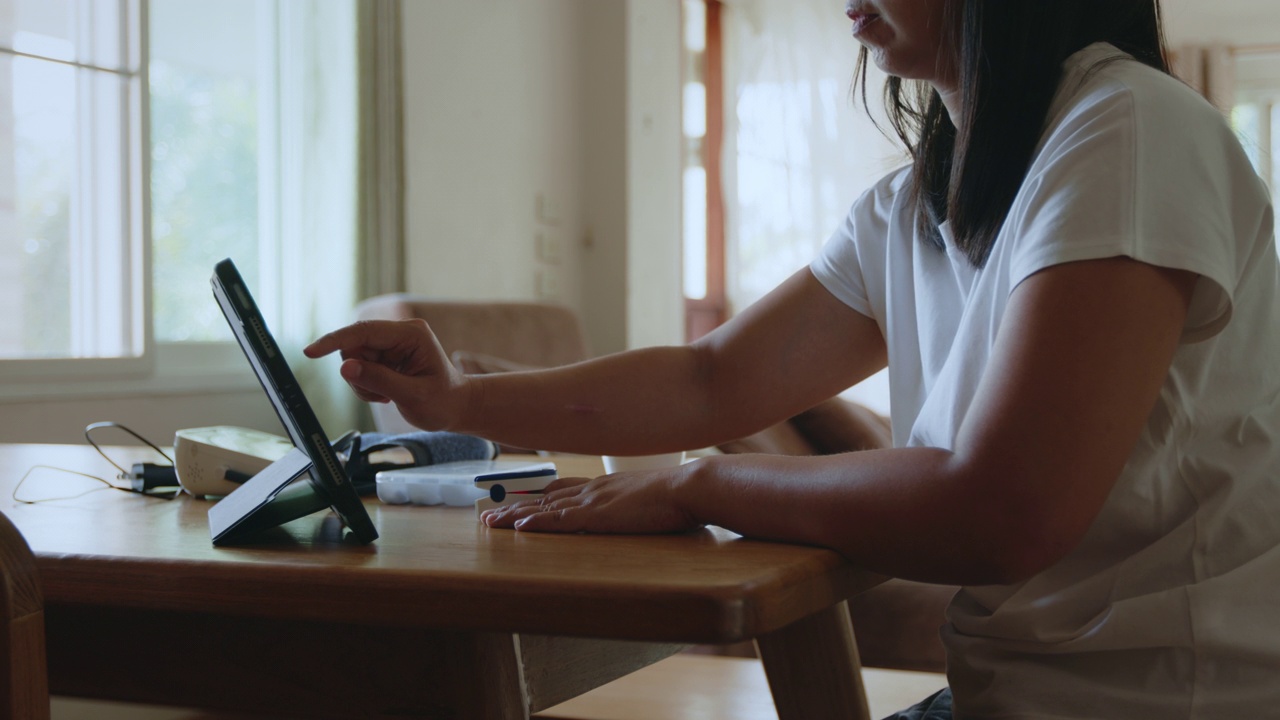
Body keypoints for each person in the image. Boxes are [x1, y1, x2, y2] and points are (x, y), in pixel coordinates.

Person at [306, 1, 1280, 717]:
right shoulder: (914, 205)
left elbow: (1005, 511)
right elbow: (711, 378)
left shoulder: (1129, 129)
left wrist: (706, 485)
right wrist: (458, 397)